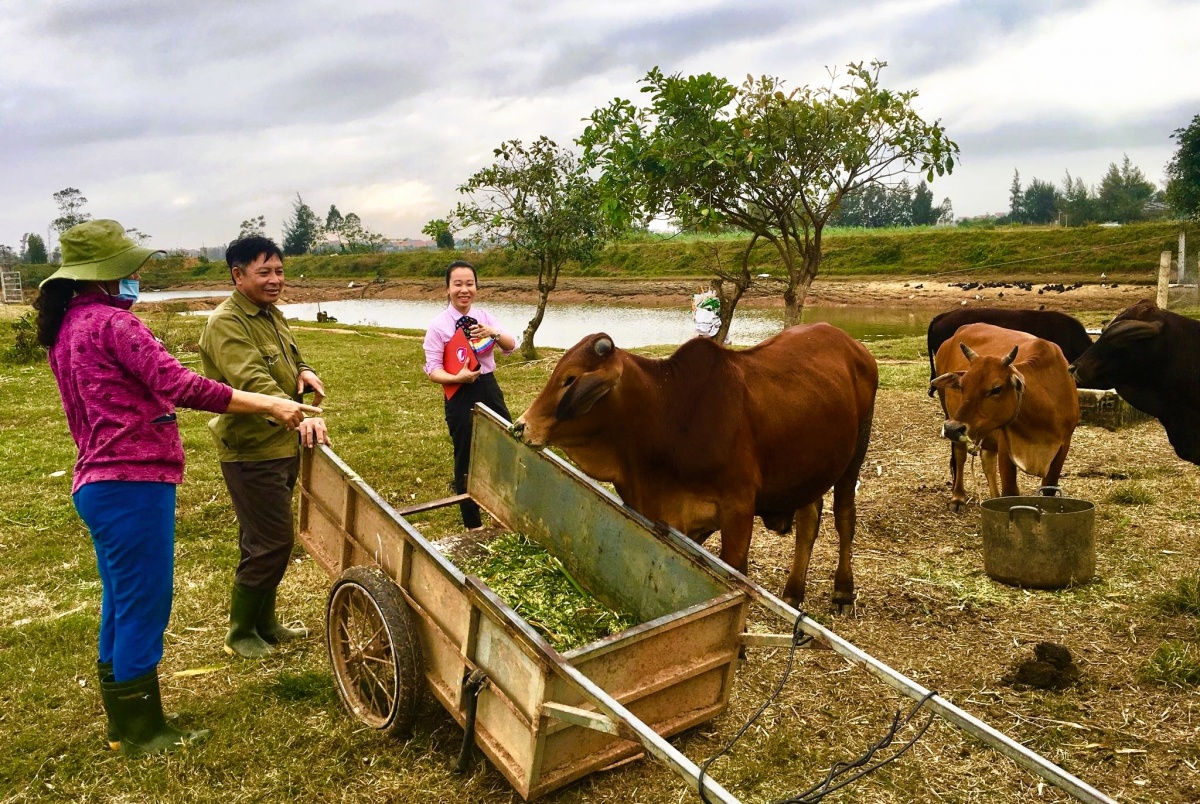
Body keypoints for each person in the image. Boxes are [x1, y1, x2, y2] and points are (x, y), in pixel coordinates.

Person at [33, 220, 321, 755]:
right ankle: (146, 731)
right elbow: (180, 384)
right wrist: (271, 404)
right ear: (106, 273)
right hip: (132, 481)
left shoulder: (70, 325)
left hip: (99, 483)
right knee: (145, 602)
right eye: (131, 267)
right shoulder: (114, 325)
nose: (137, 275)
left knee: (121, 602)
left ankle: (126, 722)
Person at [198, 236, 330, 659]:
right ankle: (240, 632)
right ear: (237, 275)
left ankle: (264, 622)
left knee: (260, 538)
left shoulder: (270, 314)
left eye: (279, 271)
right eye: (264, 272)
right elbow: (251, 380)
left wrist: (305, 372)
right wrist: (302, 415)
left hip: (280, 444)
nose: (276, 280)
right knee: (273, 540)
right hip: (251, 449)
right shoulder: (226, 323)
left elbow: (291, 357)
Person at [422, 260, 517, 530]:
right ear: (447, 289)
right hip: (459, 393)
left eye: (469, 284)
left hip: (488, 387)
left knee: (507, 445)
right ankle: (472, 525)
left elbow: (511, 345)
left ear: (476, 287)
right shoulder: (438, 326)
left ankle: (504, 515)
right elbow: (433, 370)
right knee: (466, 457)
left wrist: (493, 332)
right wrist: (457, 378)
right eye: (458, 284)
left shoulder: (486, 318)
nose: (464, 290)